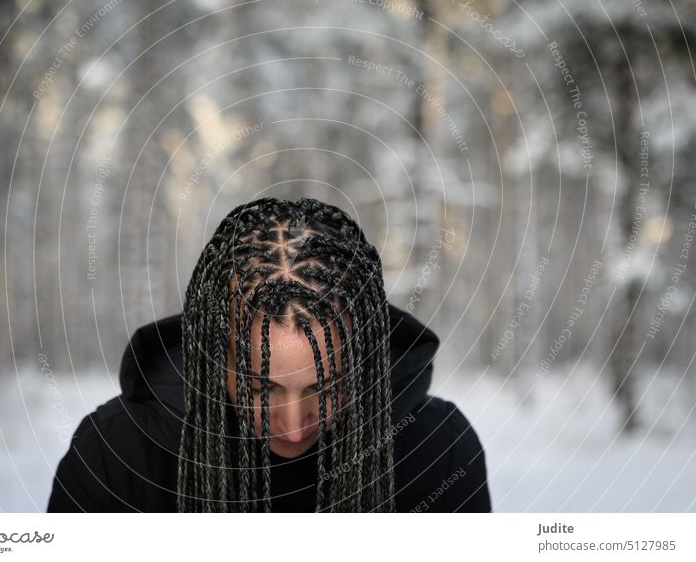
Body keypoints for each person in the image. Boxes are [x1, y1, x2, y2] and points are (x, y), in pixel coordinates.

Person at [47, 197, 491, 512]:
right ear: (212, 354)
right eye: (262, 386)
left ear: (365, 361)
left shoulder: (439, 452)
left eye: (327, 386)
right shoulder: (116, 455)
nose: (295, 427)